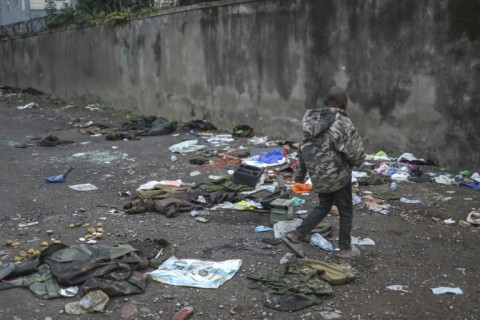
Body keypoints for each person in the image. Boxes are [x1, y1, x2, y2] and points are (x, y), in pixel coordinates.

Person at [283, 86, 366, 259]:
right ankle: (345, 249)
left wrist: (299, 177)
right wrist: (354, 163)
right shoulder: (342, 122)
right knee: (345, 210)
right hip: (339, 176)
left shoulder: (310, 121)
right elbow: (356, 152)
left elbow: (302, 150)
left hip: (319, 177)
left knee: (324, 206)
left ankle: (295, 235)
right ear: (343, 103)